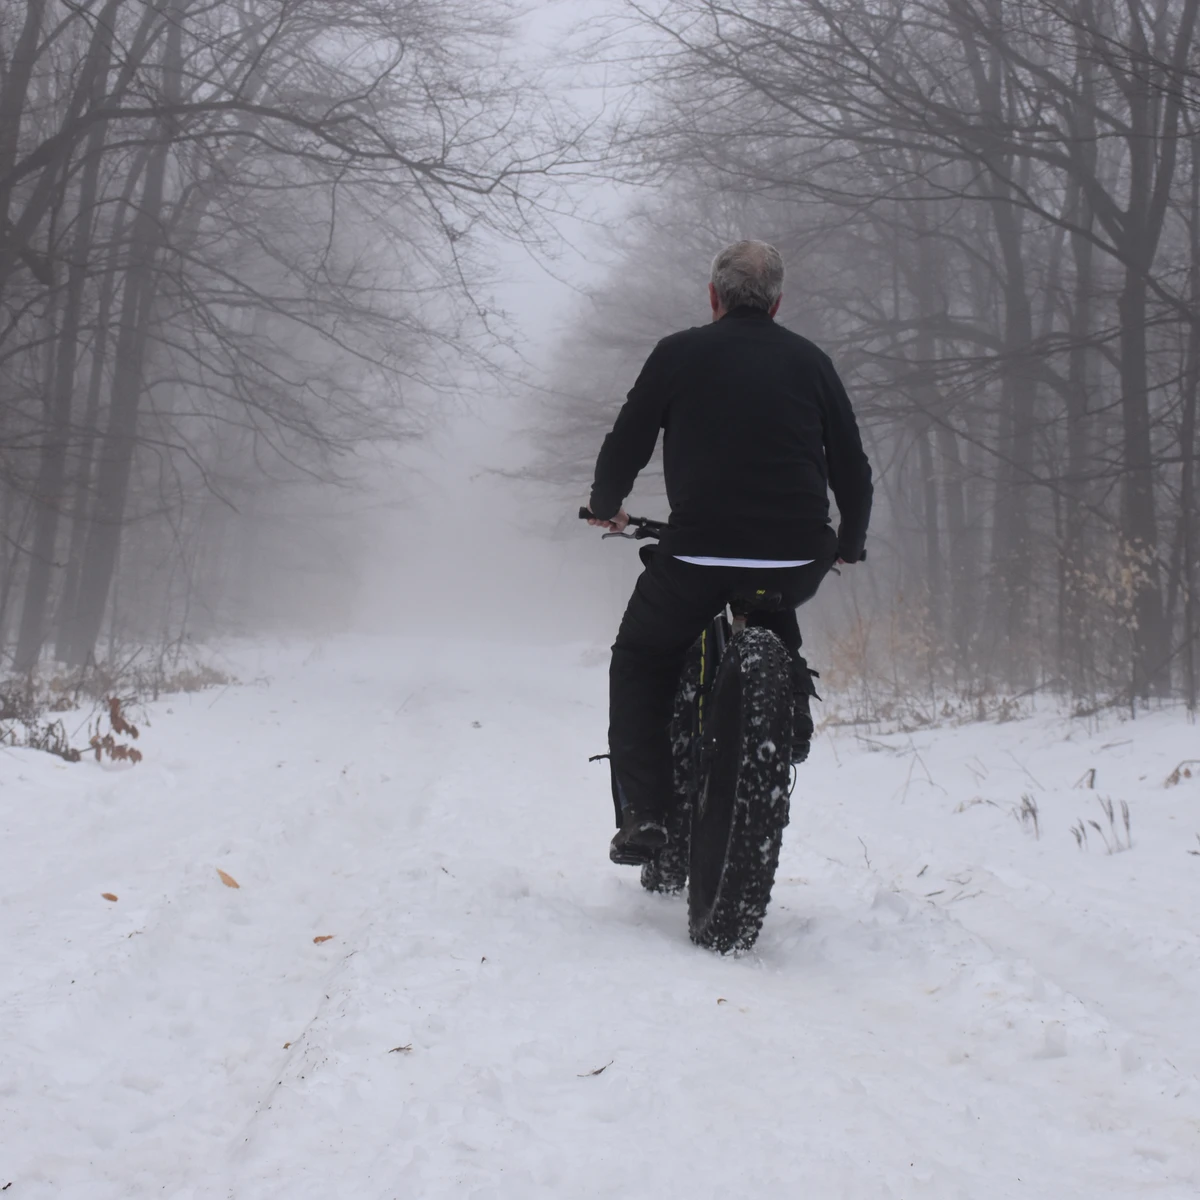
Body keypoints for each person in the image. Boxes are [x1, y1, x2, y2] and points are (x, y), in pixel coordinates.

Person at [583, 239, 873, 865]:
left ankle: (645, 813)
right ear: (777, 304)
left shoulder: (678, 353)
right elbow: (852, 466)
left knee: (641, 657)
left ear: (713, 296)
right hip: (798, 559)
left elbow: (627, 441)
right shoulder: (812, 362)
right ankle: (788, 705)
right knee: (771, 599)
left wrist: (606, 504)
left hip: (697, 556)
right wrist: (849, 545)